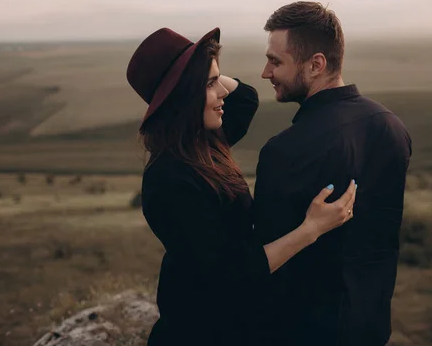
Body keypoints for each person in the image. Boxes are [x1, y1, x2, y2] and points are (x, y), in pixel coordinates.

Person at [125, 26, 357, 346]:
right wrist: (312, 228)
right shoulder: (169, 179)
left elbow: (245, 98)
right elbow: (231, 275)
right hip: (198, 332)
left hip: (228, 324)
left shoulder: (202, 143)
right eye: (210, 85)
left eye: (217, 81)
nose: (222, 91)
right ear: (182, 97)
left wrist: (203, 65)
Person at [252, 1, 413, 345]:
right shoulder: (391, 127)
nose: (266, 73)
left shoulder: (283, 152)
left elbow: (263, 264)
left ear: (316, 65)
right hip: (371, 327)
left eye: (275, 62)